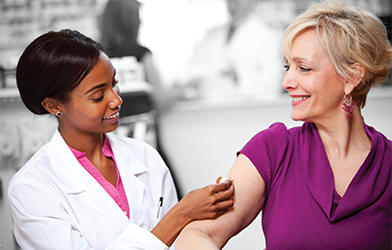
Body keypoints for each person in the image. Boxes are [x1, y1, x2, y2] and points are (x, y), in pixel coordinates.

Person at [176, 1, 392, 249]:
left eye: (304, 68)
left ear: (352, 77)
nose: (287, 81)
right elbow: (198, 233)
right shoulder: (273, 149)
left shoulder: (388, 165)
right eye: (288, 67)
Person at [7, 29, 234, 250]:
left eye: (114, 83)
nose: (116, 100)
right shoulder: (31, 187)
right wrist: (180, 215)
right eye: (98, 96)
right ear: (54, 105)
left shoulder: (145, 156)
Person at [179, 0, 284, 100]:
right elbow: (189, 72)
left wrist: (238, 76)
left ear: (252, 1)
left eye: (237, 1)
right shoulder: (210, 34)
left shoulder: (269, 38)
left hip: (242, 110)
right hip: (207, 109)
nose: (232, 5)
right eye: (230, 1)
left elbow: (272, 88)